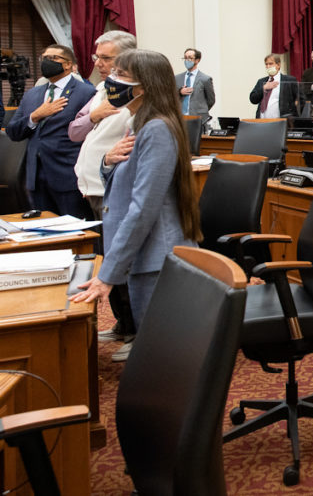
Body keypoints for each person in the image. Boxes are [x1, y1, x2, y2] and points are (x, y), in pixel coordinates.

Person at [71, 49, 202, 339]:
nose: (111, 80)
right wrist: (107, 161)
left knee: (163, 350)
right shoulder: (138, 124)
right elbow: (124, 182)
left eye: (120, 74)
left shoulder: (156, 129)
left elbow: (143, 207)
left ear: (143, 87)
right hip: (147, 256)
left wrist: (108, 274)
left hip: (158, 258)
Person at [68, 30, 138, 359]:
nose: (99, 63)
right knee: (106, 259)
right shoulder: (101, 89)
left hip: (112, 187)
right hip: (94, 187)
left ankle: (137, 331)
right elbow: (75, 129)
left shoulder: (136, 94)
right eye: (98, 58)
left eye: (106, 58)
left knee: (121, 259)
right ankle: (123, 323)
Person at [7, 44, 94, 217]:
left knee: (77, 233)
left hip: (69, 175)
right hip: (36, 177)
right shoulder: (33, 94)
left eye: (53, 58)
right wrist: (35, 116)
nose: (46, 62)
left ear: (68, 64)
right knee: (45, 235)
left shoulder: (86, 93)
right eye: (44, 58)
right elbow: (13, 131)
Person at [174, 47, 215, 129]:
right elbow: (171, 97)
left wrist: (200, 108)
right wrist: (179, 92)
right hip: (181, 118)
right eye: (185, 58)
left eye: (190, 58)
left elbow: (211, 100)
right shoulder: (177, 78)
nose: (187, 60)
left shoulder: (205, 79)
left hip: (198, 118)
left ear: (197, 60)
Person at [249, 53, 299, 118]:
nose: (268, 66)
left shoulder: (289, 80)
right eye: (266, 64)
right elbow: (253, 99)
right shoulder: (261, 81)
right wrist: (264, 88)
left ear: (278, 65)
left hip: (282, 121)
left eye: (270, 64)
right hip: (262, 121)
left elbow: (299, 99)